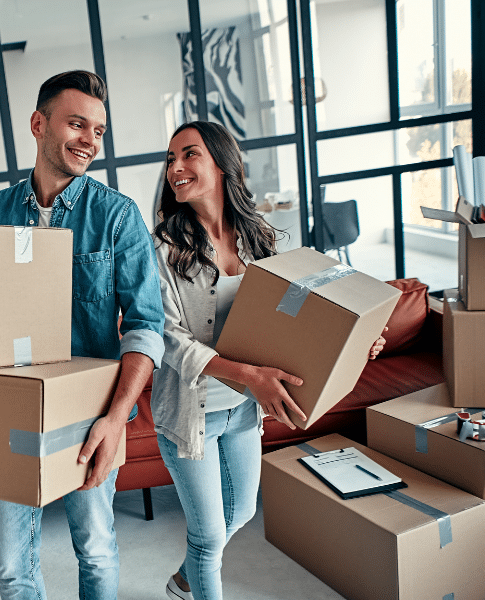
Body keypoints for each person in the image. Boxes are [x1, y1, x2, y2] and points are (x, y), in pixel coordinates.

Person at [151, 121, 386, 600]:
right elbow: (167, 338)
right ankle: (198, 581)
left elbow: (296, 320)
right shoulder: (163, 250)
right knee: (210, 534)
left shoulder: (259, 240)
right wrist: (246, 375)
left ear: (221, 162)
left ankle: (184, 580)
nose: (175, 167)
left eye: (189, 154)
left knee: (238, 514)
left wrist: (353, 339)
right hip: (189, 415)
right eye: (171, 159)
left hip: (242, 408)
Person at [0, 70, 165, 600]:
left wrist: (116, 420)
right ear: (38, 123)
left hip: (88, 417)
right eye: (77, 124)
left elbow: (147, 327)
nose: (89, 141)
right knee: (10, 567)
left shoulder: (117, 218)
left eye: (98, 131)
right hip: (7, 412)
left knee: (97, 552)